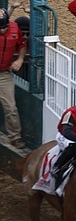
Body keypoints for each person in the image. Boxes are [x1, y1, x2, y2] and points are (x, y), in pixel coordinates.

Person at [0, 8, 27, 149]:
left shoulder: (15, 29)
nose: (3, 30)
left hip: (4, 73)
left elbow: (22, 45)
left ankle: (15, 136)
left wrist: (21, 59)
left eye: (5, 27)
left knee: (10, 107)